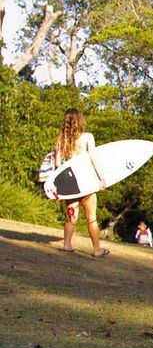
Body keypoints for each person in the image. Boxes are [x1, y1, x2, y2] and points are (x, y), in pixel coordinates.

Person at [54, 108, 109, 257]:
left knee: (72, 216)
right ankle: (97, 250)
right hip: (87, 183)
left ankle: (67, 245)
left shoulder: (61, 140)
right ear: (80, 120)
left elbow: (58, 165)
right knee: (91, 218)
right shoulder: (87, 137)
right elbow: (94, 158)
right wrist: (101, 178)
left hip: (71, 184)